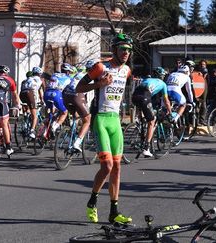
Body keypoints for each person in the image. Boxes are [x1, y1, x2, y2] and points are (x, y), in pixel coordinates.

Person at [76, 33, 133, 224]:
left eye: (129, 50)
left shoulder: (127, 70)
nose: (126, 53)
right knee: (106, 166)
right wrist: (100, 84)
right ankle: (92, 201)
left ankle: (113, 212)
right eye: (123, 49)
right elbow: (79, 87)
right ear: (115, 49)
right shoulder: (100, 67)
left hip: (115, 120)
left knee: (117, 167)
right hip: (100, 118)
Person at [132, 67, 172, 157]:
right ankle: (146, 148)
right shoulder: (163, 84)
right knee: (152, 121)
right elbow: (166, 100)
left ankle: (139, 127)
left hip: (135, 95)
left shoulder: (148, 79)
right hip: (145, 96)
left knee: (143, 117)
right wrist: (169, 111)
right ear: (162, 76)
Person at [62, 63, 91, 152]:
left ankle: (71, 130)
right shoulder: (90, 76)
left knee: (76, 116)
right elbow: (88, 97)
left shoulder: (76, 75)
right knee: (87, 120)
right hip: (76, 95)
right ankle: (77, 143)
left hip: (65, 94)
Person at [43, 64, 72, 134]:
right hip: (56, 94)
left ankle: (45, 126)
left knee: (50, 110)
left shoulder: (54, 74)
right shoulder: (69, 78)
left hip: (46, 93)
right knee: (64, 112)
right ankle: (54, 127)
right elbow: (70, 90)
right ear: (68, 72)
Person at [19, 67, 45, 139]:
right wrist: (43, 100)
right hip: (30, 93)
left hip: (22, 93)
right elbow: (42, 91)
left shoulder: (27, 79)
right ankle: (32, 131)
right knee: (35, 115)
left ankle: (25, 122)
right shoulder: (40, 79)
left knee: (28, 109)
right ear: (40, 74)